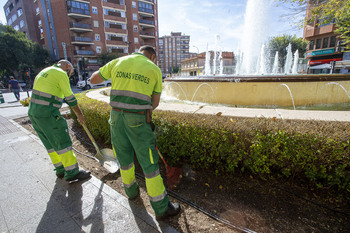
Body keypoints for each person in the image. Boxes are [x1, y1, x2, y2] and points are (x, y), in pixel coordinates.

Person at [89, 46, 181, 220]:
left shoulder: (118, 61)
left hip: (115, 118)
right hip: (138, 120)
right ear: (152, 56)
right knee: (149, 163)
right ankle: (161, 208)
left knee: (124, 158)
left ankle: (131, 192)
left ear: (138, 52)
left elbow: (93, 79)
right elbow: (155, 102)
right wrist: (143, 111)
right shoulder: (154, 69)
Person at [28, 60, 91, 182]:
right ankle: (72, 172)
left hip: (34, 114)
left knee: (50, 144)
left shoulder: (43, 71)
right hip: (48, 114)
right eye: (70, 72)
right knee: (62, 142)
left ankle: (60, 170)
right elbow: (70, 98)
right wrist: (80, 114)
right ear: (68, 67)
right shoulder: (60, 73)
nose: (69, 75)